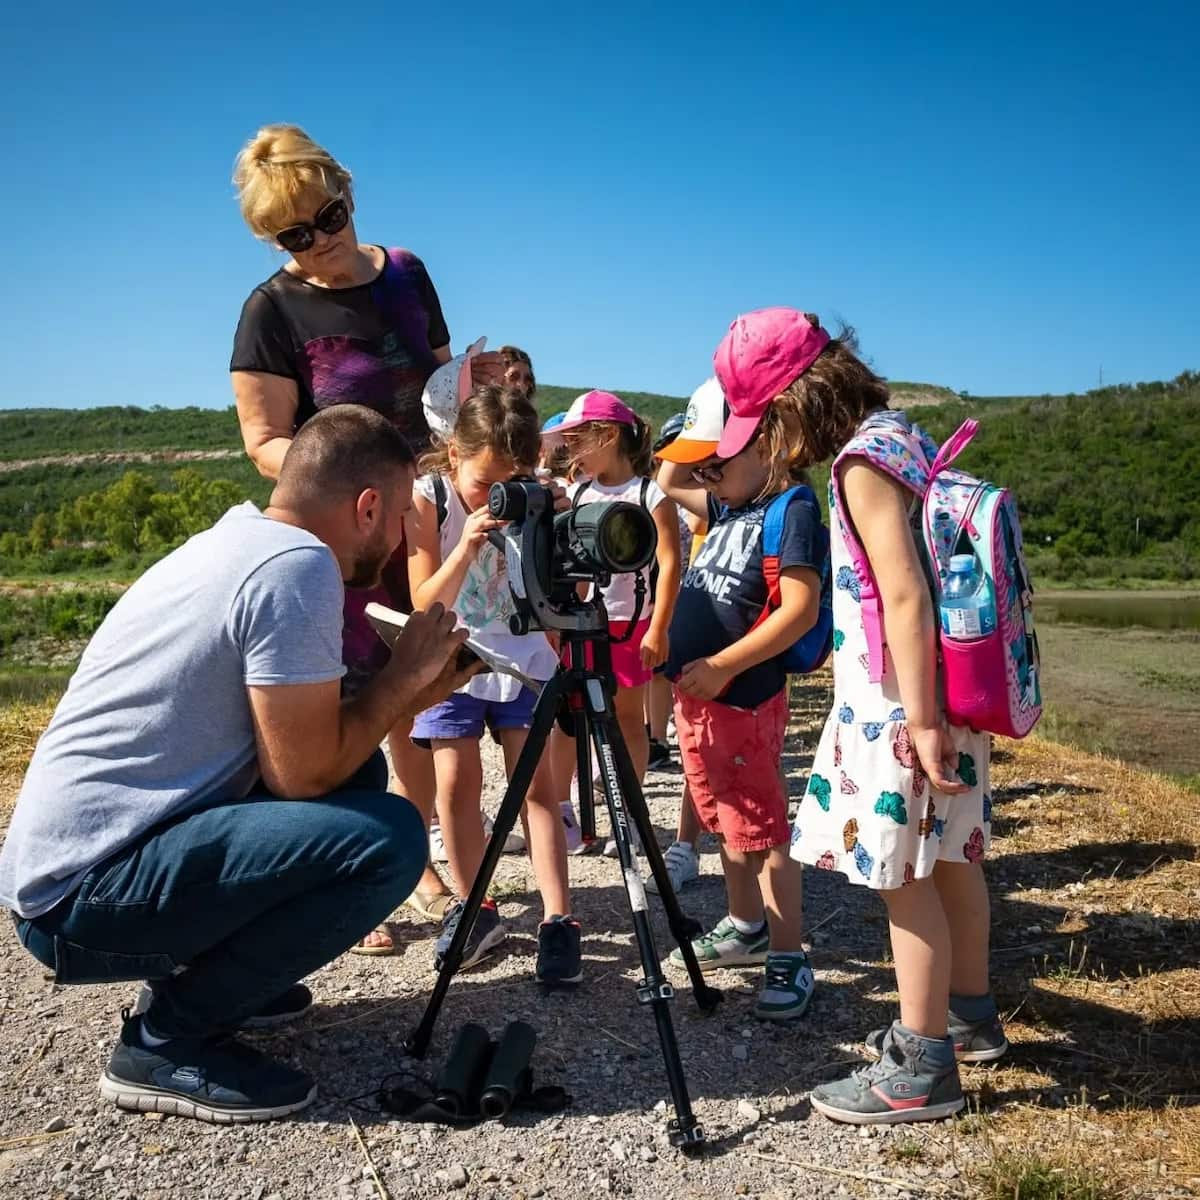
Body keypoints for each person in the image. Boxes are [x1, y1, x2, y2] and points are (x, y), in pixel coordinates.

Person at [0, 407, 477, 1123]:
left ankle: (217, 980)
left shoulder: (239, 540)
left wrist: (410, 688)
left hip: (67, 875)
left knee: (361, 784)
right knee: (389, 839)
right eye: (402, 514)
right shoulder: (298, 566)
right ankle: (166, 1039)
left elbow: (309, 750)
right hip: (78, 901)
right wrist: (398, 684)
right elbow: (301, 775)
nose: (404, 535)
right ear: (368, 506)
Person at [717, 308, 1003, 1121]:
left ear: (795, 400)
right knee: (952, 859)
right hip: (947, 694)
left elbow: (904, 592)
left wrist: (915, 724)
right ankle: (969, 1015)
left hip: (898, 706)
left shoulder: (857, 462)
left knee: (901, 881)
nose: (766, 441)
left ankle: (921, 1068)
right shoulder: (899, 434)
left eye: (765, 421)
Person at [228, 124, 504, 948]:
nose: (317, 245)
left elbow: (446, 384)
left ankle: (409, 852)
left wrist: (470, 402)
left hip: (427, 507)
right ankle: (376, 868)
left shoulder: (409, 273)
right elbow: (264, 440)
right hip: (348, 531)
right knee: (353, 692)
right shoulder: (269, 311)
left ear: (349, 191)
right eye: (293, 235)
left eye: (329, 217)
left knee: (427, 681)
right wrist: (355, 482)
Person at [656, 374, 827, 1022]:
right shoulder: (729, 504)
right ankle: (745, 925)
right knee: (727, 819)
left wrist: (724, 666)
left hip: (743, 697)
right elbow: (670, 481)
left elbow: (800, 610)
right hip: (700, 702)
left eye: (717, 463)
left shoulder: (792, 510)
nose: (705, 477)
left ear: (770, 447)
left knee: (765, 829)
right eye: (704, 466)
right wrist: (694, 436)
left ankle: (788, 952)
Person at [407, 386, 579, 984]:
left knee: (536, 787)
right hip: (453, 655)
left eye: (514, 481)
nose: (498, 497)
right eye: (486, 483)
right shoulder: (427, 499)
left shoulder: (534, 501)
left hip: (523, 654)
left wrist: (553, 516)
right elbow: (424, 600)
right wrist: (471, 539)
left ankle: (558, 918)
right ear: (454, 455)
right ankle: (475, 904)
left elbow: (565, 592)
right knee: (455, 784)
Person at [555, 391, 682, 856]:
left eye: (576, 439)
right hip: (584, 622)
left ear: (607, 436)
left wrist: (659, 627)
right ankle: (569, 810)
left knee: (629, 718)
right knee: (572, 718)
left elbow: (670, 565)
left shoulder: (652, 495)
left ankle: (626, 809)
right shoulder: (578, 494)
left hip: (632, 625)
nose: (569, 449)